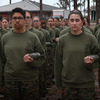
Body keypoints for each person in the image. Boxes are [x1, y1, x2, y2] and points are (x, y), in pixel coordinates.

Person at [0, 7, 45, 100]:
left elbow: (42, 57)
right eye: (14, 18)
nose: (17, 20)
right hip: (10, 81)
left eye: (20, 18)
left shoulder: (33, 37)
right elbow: (2, 60)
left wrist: (32, 61)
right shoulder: (5, 38)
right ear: (11, 20)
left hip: (30, 80)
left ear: (25, 20)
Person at [54, 9, 100, 100]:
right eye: (72, 20)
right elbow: (58, 63)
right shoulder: (62, 40)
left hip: (86, 84)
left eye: (77, 20)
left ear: (82, 22)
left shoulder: (90, 39)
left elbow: (98, 56)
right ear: (68, 22)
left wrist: (92, 61)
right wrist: (59, 84)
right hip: (68, 84)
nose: (74, 23)